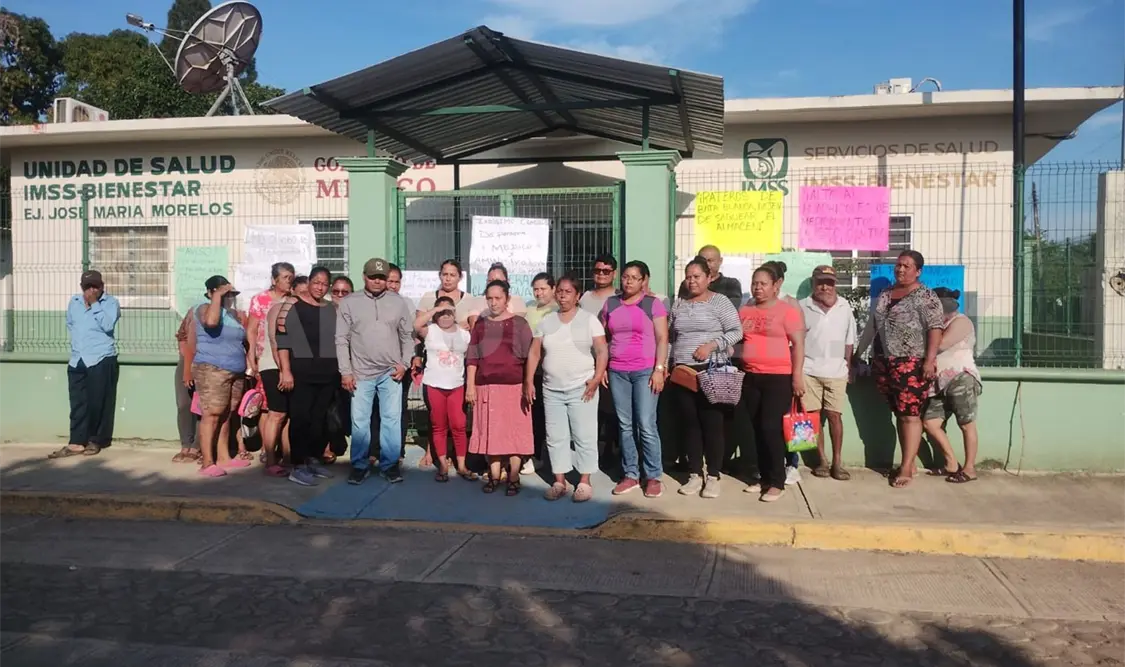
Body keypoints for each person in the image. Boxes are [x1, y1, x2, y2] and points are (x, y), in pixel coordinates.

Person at [855, 250, 944, 489]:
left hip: (911, 362)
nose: (901, 270)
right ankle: (910, 461)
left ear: (918, 271)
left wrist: (930, 359)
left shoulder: (926, 296)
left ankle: (906, 467)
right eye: (898, 266)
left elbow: (935, 328)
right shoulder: (885, 294)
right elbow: (872, 325)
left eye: (906, 266)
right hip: (884, 361)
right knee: (899, 413)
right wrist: (857, 354)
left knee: (910, 414)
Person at [527, 274, 609, 502]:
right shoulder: (546, 321)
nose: (563, 296)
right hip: (551, 389)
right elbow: (535, 353)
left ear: (578, 295)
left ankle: (584, 481)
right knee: (556, 436)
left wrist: (597, 377)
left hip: (582, 388)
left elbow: (602, 351)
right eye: (560, 291)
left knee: (584, 435)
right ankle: (559, 481)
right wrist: (528, 381)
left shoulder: (589, 319)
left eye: (568, 292)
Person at [667, 256, 743, 498]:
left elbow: (736, 332)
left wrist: (711, 345)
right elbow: (671, 337)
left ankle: (713, 476)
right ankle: (694, 473)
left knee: (712, 423)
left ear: (709, 277)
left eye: (696, 276)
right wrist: (669, 365)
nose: (691, 281)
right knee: (690, 425)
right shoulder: (679, 304)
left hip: (711, 371)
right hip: (683, 373)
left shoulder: (719, 302)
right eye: (688, 277)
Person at [338, 258, 415, 485]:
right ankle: (359, 465)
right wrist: (345, 371)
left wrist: (404, 364)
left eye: (381, 277)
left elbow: (407, 336)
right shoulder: (349, 303)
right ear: (364, 276)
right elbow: (341, 339)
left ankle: (389, 465)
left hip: (391, 373)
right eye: (373, 277)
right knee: (360, 421)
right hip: (360, 373)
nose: (377, 281)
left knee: (391, 420)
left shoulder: (398, 302)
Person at [601, 261, 669, 498]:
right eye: (626, 277)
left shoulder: (653, 304)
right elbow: (602, 339)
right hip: (617, 372)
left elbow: (662, 338)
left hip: (645, 372)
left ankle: (653, 476)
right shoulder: (610, 304)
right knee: (624, 424)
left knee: (646, 424)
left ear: (644, 281)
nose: (628, 281)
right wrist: (602, 369)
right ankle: (630, 474)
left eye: (634, 277)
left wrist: (659, 369)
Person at [740, 263, 806, 502]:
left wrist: (797, 376)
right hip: (751, 376)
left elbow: (798, 345)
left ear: (775, 287)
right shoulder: (745, 311)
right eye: (754, 283)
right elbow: (739, 341)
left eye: (763, 284)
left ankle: (777, 481)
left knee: (771, 428)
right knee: (756, 428)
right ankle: (763, 478)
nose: (758, 288)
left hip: (778, 377)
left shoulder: (787, 311)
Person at [466, 280, 535, 495]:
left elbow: (529, 356)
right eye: (490, 298)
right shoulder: (480, 324)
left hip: (514, 386)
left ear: (507, 298)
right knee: (491, 432)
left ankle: (513, 477)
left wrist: (527, 383)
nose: (494, 303)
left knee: (514, 432)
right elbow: (472, 357)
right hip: (486, 385)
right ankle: (494, 475)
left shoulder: (520, 324)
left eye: (498, 298)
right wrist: (470, 385)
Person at [275, 266, 338, 487]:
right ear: (309, 282)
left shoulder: (331, 308)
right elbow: (281, 340)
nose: (320, 287)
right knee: (300, 419)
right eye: (316, 282)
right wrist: (285, 370)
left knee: (318, 420)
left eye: (324, 283)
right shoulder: (292, 305)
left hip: (327, 374)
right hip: (301, 373)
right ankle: (298, 465)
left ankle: (312, 459)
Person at [50, 270, 121, 460]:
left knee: (98, 402)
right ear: (81, 287)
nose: (91, 290)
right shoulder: (74, 302)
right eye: (87, 287)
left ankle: (95, 440)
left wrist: (95, 304)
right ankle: (76, 441)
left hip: (100, 358)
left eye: (95, 287)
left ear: (102, 286)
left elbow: (107, 325)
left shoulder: (110, 303)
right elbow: (71, 324)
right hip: (77, 359)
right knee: (77, 402)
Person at [187, 276, 249, 477]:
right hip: (212, 369)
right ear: (211, 292)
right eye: (225, 293)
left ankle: (224, 458)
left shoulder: (233, 315)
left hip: (235, 371)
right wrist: (217, 296)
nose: (229, 298)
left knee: (227, 413)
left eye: (231, 294)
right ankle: (207, 462)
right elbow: (211, 323)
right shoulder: (203, 308)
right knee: (212, 413)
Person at [799, 265, 856, 481]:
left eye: (829, 283)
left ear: (835, 285)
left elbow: (849, 341)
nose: (825, 287)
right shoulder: (802, 307)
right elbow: (796, 341)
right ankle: (821, 460)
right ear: (813, 283)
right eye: (820, 282)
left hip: (836, 371)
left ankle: (838, 462)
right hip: (809, 369)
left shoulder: (844, 306)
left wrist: (848, 367)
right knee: (812, 417)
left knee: (834, 416)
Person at [922, 287, 982, 484]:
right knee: (930, 423)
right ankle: (950, 463)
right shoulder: (936, 325)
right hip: (939, 382)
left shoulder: (961, 322)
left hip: (960, 378)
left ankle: (970, 468)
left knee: (966, 423)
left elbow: (940, 344)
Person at [414, 295, 476, 482]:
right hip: (434, 385)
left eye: (449, 312)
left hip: (457, 385)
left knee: (458, 425)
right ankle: (442, 465)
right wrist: (434, 311)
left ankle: (462, 465)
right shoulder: (430, 330)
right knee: (438, 425)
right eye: (442, 313)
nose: (445, 316)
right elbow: (416, 326)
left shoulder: (464, 334)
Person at [247, 262, 295, 476]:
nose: (288, 281)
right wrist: (252, 359)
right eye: (285, 277)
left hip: (288, 361)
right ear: (274, 279)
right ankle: (269, 455)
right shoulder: (260, 300)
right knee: (271, 410)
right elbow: (251, 330)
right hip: (267, 359)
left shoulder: (292, 300)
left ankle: (286, 455)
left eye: (291, 277)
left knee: (285, 413)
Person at [372, 263, 415, 467]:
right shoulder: (368, 302)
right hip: (372, 365)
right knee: (374, 409)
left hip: (399, 367)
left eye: (397, 282)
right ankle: (373, 450)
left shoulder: (406, 304)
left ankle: (396, 450)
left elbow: (410, 336)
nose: (393, 285)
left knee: (398, 409)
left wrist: (406, 362)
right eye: (390, 281)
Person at [579, 254, 620, 464]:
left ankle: (609, 450)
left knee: (610, 409)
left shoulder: (619, 297)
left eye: (606, 271)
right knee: (588, 409)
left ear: (614, 273)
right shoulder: (584, 297)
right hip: (585, 361)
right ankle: (589, 451)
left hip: (610, 362)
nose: (601, 275)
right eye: (598, 271)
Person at [522, 272, 557, 473]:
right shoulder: (529, 308)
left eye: (543, 288)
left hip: (552, 369)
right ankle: (535, 456)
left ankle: (552, 456)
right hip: (532, 370)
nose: (539, 293)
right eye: (536, 289)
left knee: (550, 415)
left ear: (553, 289)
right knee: (535, 413)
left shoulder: (558, 310)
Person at [172, 306, 200, 464]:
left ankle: (197, 446)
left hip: (208, 362)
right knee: (184, 404)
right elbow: (182, 335)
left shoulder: (228, 316)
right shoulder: (195, 312)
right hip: (188, 359)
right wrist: (187, 363)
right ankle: (185, 444)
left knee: (202, 407)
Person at [676, 244, 743, 309]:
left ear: (720, 261)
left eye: (710, 260)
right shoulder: (689, 283)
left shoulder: (731, 284)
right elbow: (681, 307)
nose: (707, 264)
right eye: (703, 261)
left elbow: (731, 308)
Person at [416, 259, 474, 329]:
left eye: (452, 275)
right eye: (445, 274)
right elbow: (418, 325)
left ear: (460, 277)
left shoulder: (469, 299)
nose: (448, 279)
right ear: (440, 276)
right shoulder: (428, 297)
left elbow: (474, 328)